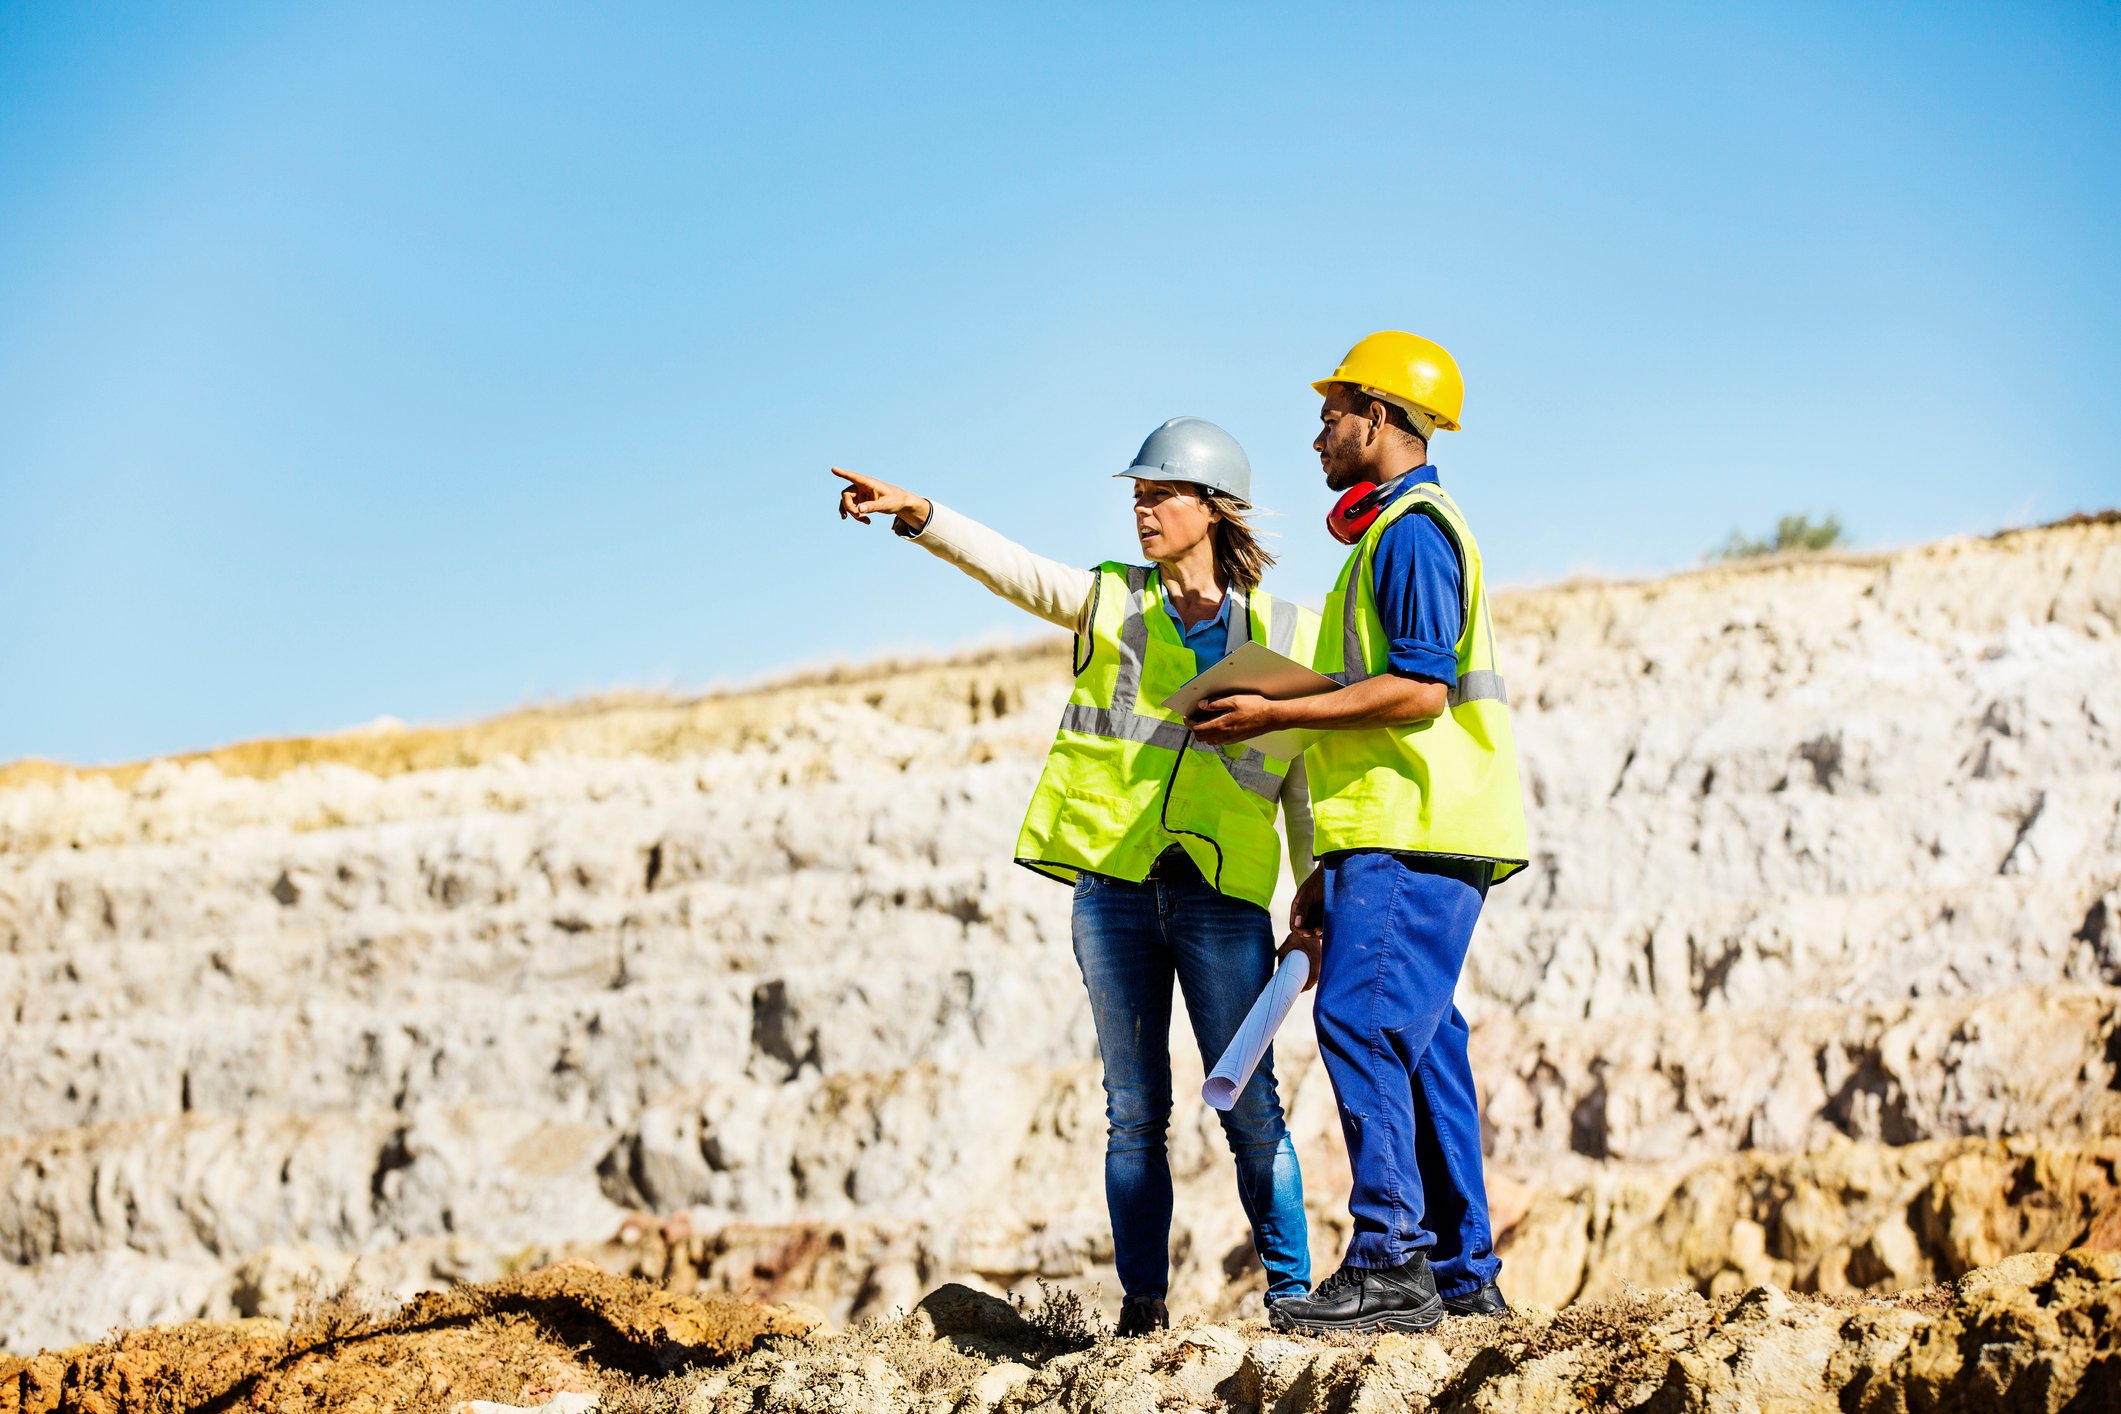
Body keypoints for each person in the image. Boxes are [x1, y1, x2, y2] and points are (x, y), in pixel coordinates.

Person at [831, 417, 1320, 1334]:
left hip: (1223, 898)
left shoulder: (1291, 629)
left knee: (1251, 1106)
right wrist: (920, 514)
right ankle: (1143, 1309)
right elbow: (1011, 568)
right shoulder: (1111, 601)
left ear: (1211, 510)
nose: (1140, 512)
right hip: (1113, 886)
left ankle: (1291, 1297)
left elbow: (1301, 770)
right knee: (1134, 1114)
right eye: (1134, 497)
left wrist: (1315, 881)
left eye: (1158, 496)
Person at [1189, 333, 1529, 1333]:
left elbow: (1421, 687)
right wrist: (1326, 864)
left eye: (1332, 414)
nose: (1318, 434)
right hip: (1395, 835)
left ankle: (1389, 1260)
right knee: (1423, 1047)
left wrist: (1274, 713)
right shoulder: (1393, 536)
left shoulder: (1414, 532)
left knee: (1360, 1025)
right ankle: (1462, 1272)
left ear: (1378, 417)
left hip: (1412, 832)